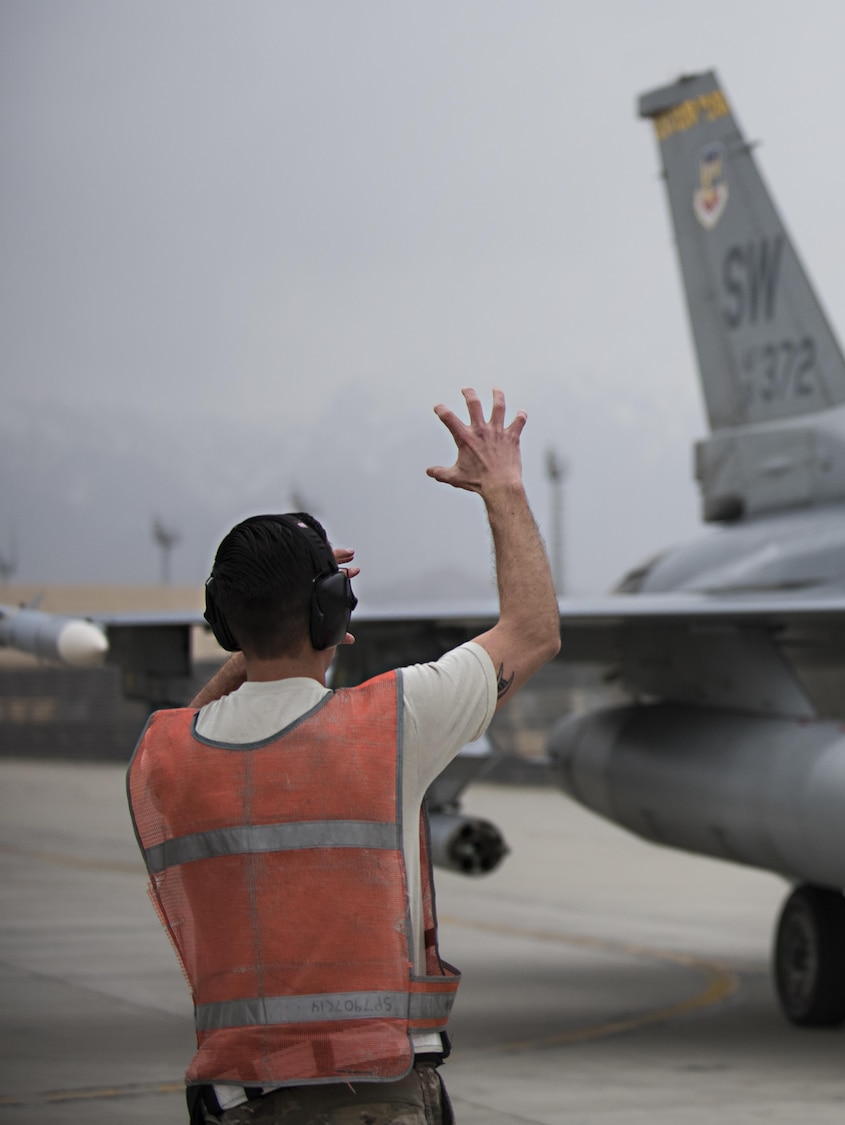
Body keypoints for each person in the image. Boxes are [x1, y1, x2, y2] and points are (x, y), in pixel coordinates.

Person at [126, 389, 562, 1125]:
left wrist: (264, 637)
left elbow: (200, 719)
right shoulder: (393, 721)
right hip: (373, 1100)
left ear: (223, 624)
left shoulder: (162, 757)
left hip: (234, 1104)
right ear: (333, 610)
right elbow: (534, 630)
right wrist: (504, 488)